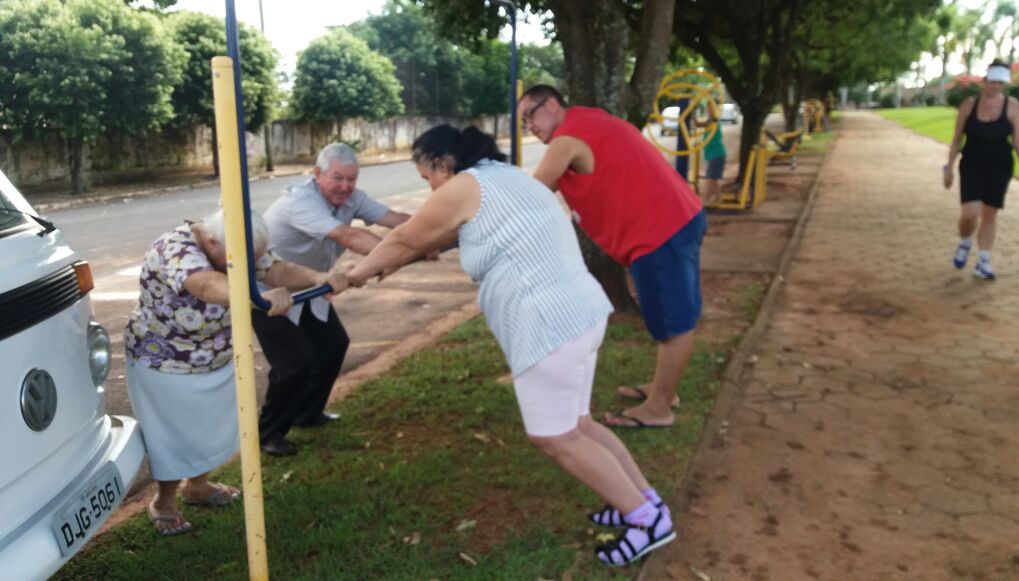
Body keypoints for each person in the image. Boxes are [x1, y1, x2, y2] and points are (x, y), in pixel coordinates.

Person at [346, 125, 677, 566]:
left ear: (442, 164)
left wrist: (353, 275)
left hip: (548, 325)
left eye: (428, 178)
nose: (430, 188)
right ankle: (645, 501)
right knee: (580, 426)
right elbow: (435, 239)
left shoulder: (464, 185)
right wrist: (389, 263)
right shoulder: (507, 177)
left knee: (555, 436)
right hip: (580, 313)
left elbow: (407, 237)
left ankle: (646, 521)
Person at [125, 210, 348, 536]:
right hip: (165, 360)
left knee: (209, 428)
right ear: (212, 241)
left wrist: (318, 277)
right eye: (242, 260)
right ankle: (165, 501)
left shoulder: (237, 240)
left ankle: (197, 486)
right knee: (173, 435)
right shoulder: (174, 248)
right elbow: (205, 283)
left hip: (215, 355)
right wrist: (256, 296)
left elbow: (276, 269)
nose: (248, 265)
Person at [517, 84, 706, 429]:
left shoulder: (567, 138)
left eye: (531, 115)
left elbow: (530, 195)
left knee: (674, 325)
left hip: (658, 232)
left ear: (553, 104)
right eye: (523, 122)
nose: (529, 126)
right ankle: (664, 390)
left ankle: (659, 408)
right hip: (677, 218)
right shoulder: (588, 120)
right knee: (675, 316)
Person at [256, 143, 415, 456]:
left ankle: (307, 413)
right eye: (338, 178)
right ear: (317, 174)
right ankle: (268, 433)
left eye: (351, 179)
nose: (345, 186)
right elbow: (349, 237)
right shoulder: (300, 202)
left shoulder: (353, 198)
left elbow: (395, 219)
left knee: (332, 345)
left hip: (311, 288)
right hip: (268, 292)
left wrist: (433, 232)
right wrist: (399, 255)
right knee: (294, 361)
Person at [944, 59, 1019, 279]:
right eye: (993, 82)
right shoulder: (968, 106)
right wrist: (949, 168)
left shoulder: (1012, 105)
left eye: (1000, 83)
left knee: (990, 214)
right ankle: (965, 242)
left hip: (1000, 166)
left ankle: (983, 261)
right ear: (984, 81)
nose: (996, 86)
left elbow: (1018, 138)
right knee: (970, 213)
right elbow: (956, 139)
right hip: (972, 164)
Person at [695, 99, 727, 206]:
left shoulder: (714, 119)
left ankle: (707, 199)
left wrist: (692, 115)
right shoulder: (711, 120)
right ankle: (718, 199)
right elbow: (698, 124)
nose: (709, 109)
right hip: (715, 154)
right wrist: (692, 115)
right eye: (708, 107)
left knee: (710, 178)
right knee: (713, 179)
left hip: (716, 154)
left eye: (711, 107)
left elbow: (699, 124)